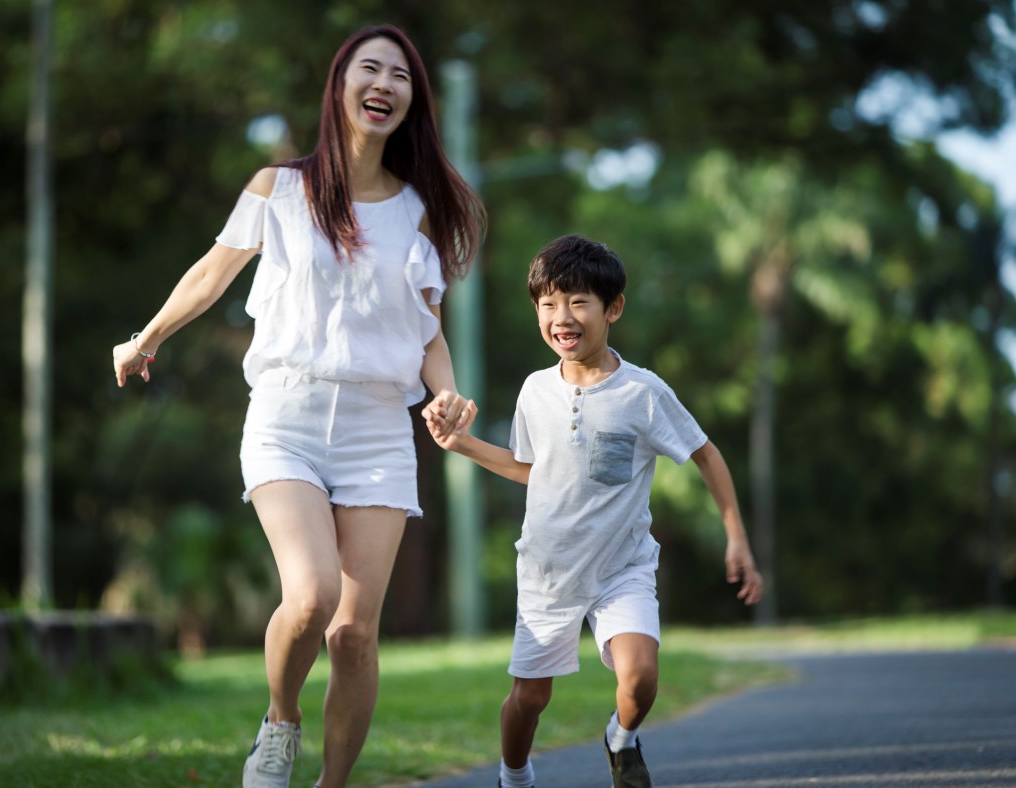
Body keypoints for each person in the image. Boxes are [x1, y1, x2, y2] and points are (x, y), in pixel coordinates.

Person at [111, 24, 484, 788]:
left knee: (354, 635)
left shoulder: (417, 210)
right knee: (310, 595)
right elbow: (212, 275)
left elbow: (428, 331)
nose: (383, 84)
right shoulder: (278, 189)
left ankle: (332, 785)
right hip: (286, 414)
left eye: (400, 76)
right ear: (339, 84)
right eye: (368, 69)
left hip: (379, 427)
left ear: (413, 102)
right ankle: (281, 720)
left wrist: (445, 394)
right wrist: (144, 338)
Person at [423, 234, 762, 788]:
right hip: (548, 571)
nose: (563, 317)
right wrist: (459, 444)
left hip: (620, 569)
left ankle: (621, 739)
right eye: (549, 304)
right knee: (529, 698)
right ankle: (515, 776)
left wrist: (736, 537)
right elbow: (531, 469)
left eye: (579, 302)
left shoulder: (642, 392)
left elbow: (705, 452)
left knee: (641, 677)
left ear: (614, 308)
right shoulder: (535, 391)